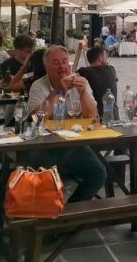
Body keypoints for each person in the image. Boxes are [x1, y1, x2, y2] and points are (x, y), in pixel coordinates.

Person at [26, 46, 105, 202]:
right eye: (55, 63)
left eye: (64, 61)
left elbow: (92, 117)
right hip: (47, 146)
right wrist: (58, 91)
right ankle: (46, 210)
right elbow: (36, 119)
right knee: (43, 177)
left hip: (76, 144)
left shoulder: (81, 82)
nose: (62, 66)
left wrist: (83, 93)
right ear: (46, 67)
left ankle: (72, 213)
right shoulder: (38, 86)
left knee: (98, 173)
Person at [77, 46, 119, 123]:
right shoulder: (111, 70)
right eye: (106, 56)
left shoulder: (83, 72)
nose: (107, 59)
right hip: (115, 118)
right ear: (100, 59)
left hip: (97, 119)